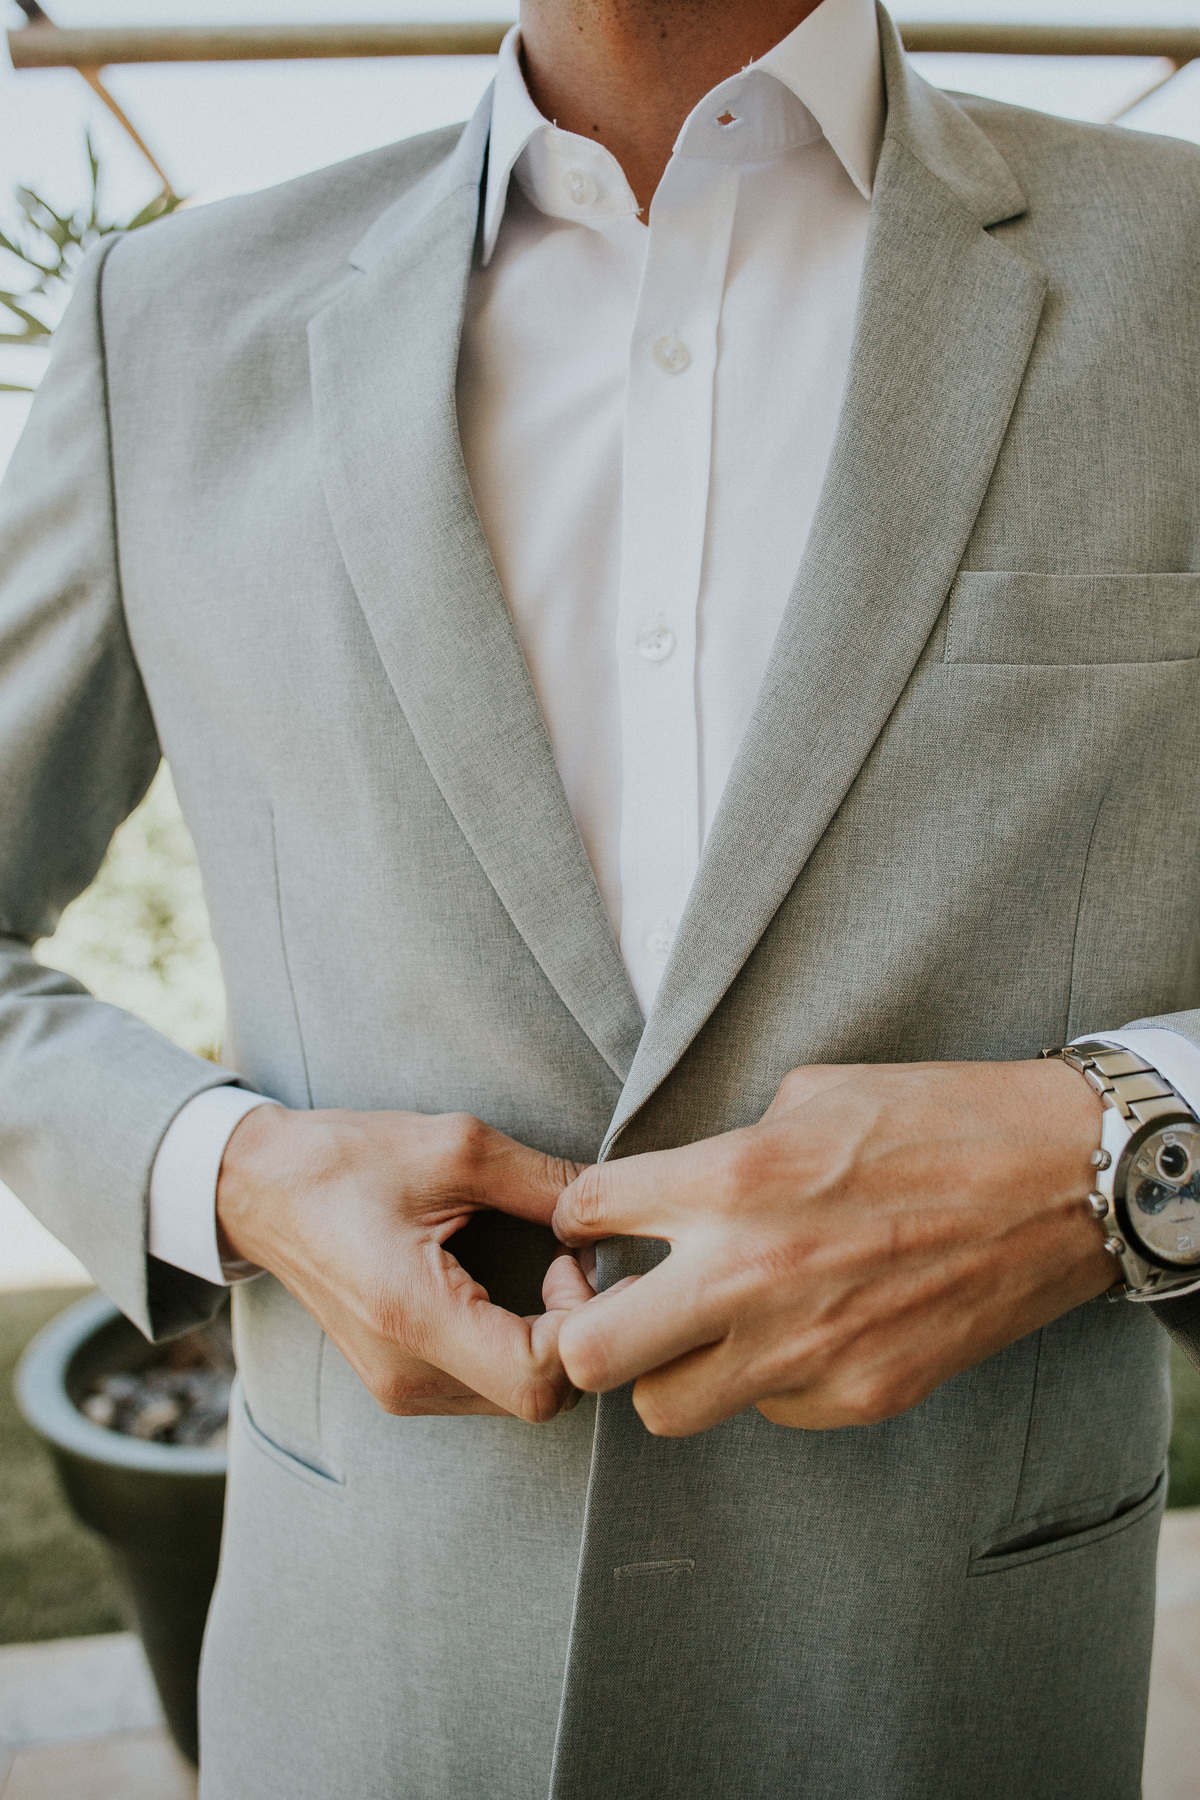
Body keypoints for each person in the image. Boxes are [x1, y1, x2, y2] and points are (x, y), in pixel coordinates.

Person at [2, 0, 1200, 1792]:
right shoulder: (165, 330)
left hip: (956, 1694)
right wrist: (229, 1172)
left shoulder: (1177, 276)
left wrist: (1107, 1153)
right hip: (373, 1703)